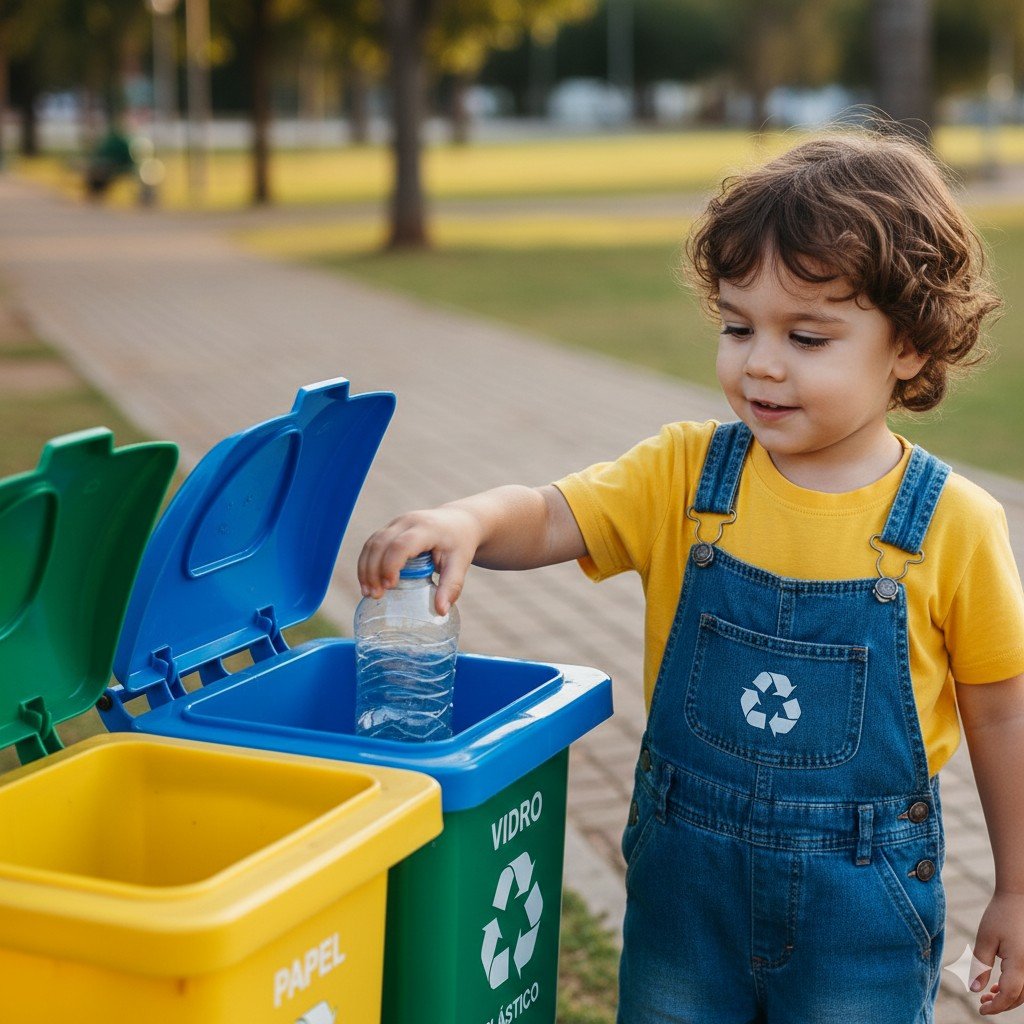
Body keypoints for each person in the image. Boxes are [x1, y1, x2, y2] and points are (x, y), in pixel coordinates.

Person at [356, 129, 1024, 1021]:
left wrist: (1016, 885)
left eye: (809, 335)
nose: (762, 363)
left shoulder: (953, 522)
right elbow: (556, 513)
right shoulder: (685, 475)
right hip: (685, 897)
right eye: (738, 326)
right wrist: (469, 519)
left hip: (861, 911)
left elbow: (1002, 709)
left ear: (908, 345)